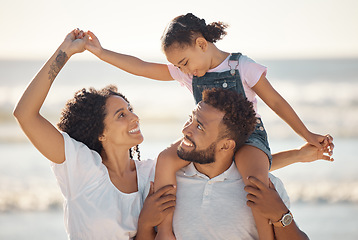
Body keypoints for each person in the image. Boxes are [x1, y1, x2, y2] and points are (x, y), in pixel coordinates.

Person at [83, 13, 333, 239]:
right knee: (166, 159)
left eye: (183, 62)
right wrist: (101, 52)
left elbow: (276, 102)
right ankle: (167, 230)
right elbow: (142, 67)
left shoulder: (241, 66)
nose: (182, 70)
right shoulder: (190, 74)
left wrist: (308, 134)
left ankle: (267, 237)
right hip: (206, 137)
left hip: (249, 138)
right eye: (179, 66)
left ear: (201, 44)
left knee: (255, 181)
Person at [12, 29, 176, 240]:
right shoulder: (81, 167)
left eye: (130, 109)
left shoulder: (151, 173)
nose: (134, 117)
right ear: (100, 133)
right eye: (121, 115)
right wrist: (65, 52)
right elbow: (25, 114)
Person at [165, 88, 309, 239]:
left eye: (199, 127)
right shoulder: (167, 179)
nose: (185, 130)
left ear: (226, 145)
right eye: (190, 119)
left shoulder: (264, 186)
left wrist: (281, 214)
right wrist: (146, 224)